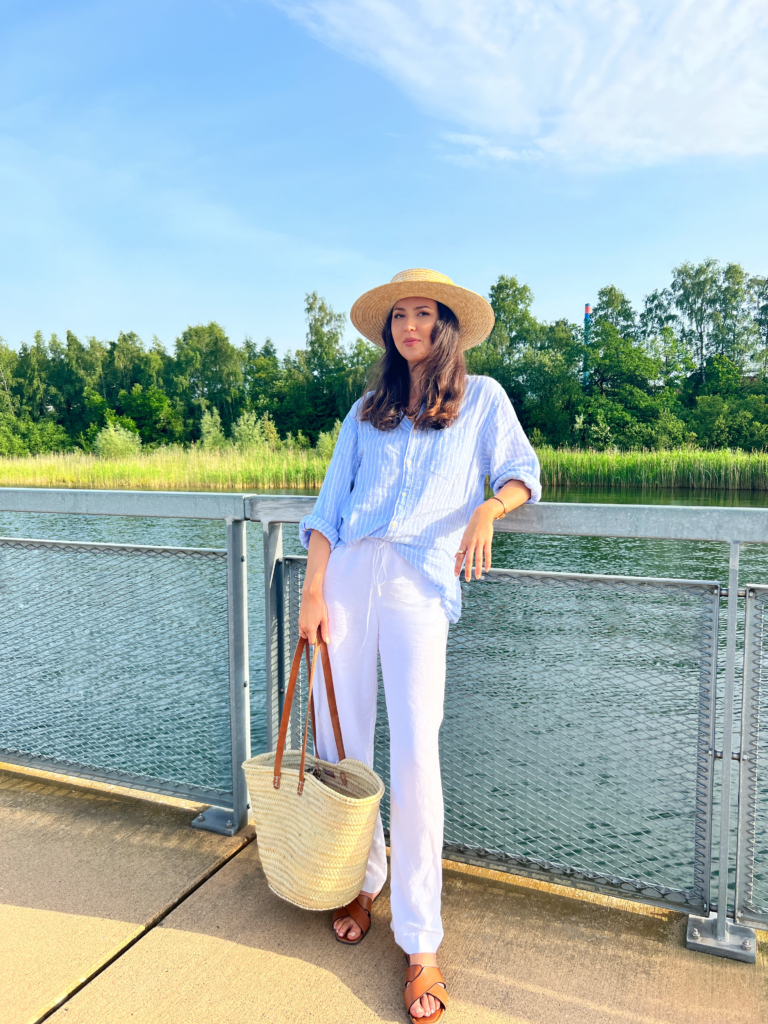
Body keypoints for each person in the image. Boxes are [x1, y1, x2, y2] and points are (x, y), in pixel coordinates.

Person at [298, 268, 541, 1023]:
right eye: (399, 316)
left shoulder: (483, 399)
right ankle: (357, 880)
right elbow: (329, 506)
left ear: (446, 326)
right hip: (346, 578)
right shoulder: (367, 410)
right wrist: (312, 590)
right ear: (388, 330)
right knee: (342, 743)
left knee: (415, 753)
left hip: (420, 583)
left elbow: (523, 473)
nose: (410, 326)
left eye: (424, 315)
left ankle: (422, 939)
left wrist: (487, 512)